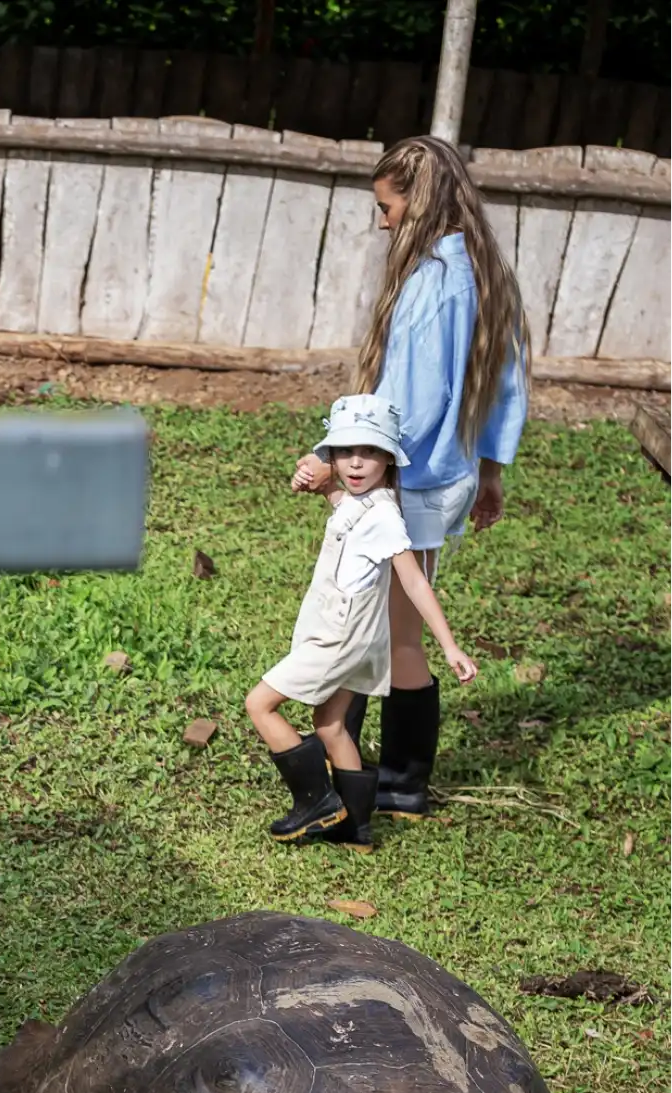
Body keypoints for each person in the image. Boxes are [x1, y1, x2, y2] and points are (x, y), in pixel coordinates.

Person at [295, 135, 529, 814]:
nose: (382, 221)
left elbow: (414, 401)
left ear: (418, 201)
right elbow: (505, 387)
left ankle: (398, 781)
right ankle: (361, 759)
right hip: (449, 470)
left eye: (387, 206)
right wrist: (490, 472)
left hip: (416, 477)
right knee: (380, 618)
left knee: (394, 630)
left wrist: (337, 452)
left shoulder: (433, 283)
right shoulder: (483, 272)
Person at [246, 395, 477, 848]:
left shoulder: (385, 517)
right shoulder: (363, 500)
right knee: (330, 724)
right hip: (357, 638)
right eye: (345, 451)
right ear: (332, 456)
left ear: (389, 459)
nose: (355, 462)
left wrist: (449, 646)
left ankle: (316, 801)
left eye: (370, 451)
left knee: (259, 705)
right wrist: (315, 485)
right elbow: (340, 506)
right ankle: (356, 828)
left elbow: (415, 583)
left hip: (339, 637)